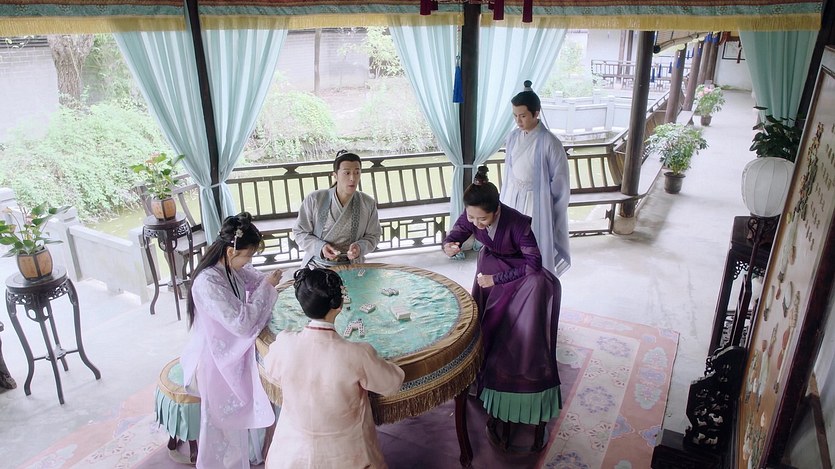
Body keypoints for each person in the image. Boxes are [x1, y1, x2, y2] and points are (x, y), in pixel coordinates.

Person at [442, 166, 561, 452]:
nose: (476, 224)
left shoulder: (518, 224)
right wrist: (449, 244)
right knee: (484, 323)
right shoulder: (473, 214)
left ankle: (516, 366)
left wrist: (496, 279)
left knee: (516, 325)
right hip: (489, 266)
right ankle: (482, 370)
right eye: (472, 217)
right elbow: (457, 231)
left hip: (519, 273)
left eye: (482, 219)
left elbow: (533, 264)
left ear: (497, 210)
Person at [263, 267, 404, 468]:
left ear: (303, 304)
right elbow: (392, 383)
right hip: (348, 457)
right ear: (339, 305)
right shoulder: (358, 353)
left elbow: (271, 369)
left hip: (290, 454)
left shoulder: (285, 343)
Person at [180, 212, 284, 468]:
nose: (249, 261)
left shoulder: (231, 267)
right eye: (247, 255)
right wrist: (267, 288)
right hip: (216, 356)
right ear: (230, 251)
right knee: (222, 428)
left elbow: (257, 280)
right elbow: (241, 323)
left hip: (232, 347)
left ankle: (262, 446)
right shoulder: (207, 282)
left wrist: (268, 283)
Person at [501, 80, 571, 276]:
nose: (518, 121)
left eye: (523, 116)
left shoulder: (550, 142)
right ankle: (509, 282)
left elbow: (560, 182)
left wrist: (550, 208)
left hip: (537, 203)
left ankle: (535, 286)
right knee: (509, 244)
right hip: (512, 198)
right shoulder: (513, 137)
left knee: (534, 247)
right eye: (515, 116)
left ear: (536, 113)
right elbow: (509, 172)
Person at [293, 150, 382, 268]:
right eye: (347, 173)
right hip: (317, 265)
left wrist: (359, 248)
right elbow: (300, 232)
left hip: (352, 266)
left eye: (357, 172)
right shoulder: (315, 199)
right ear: (335, 175)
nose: (352, 178)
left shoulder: (367, 203)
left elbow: (374, 235)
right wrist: (321, 247)